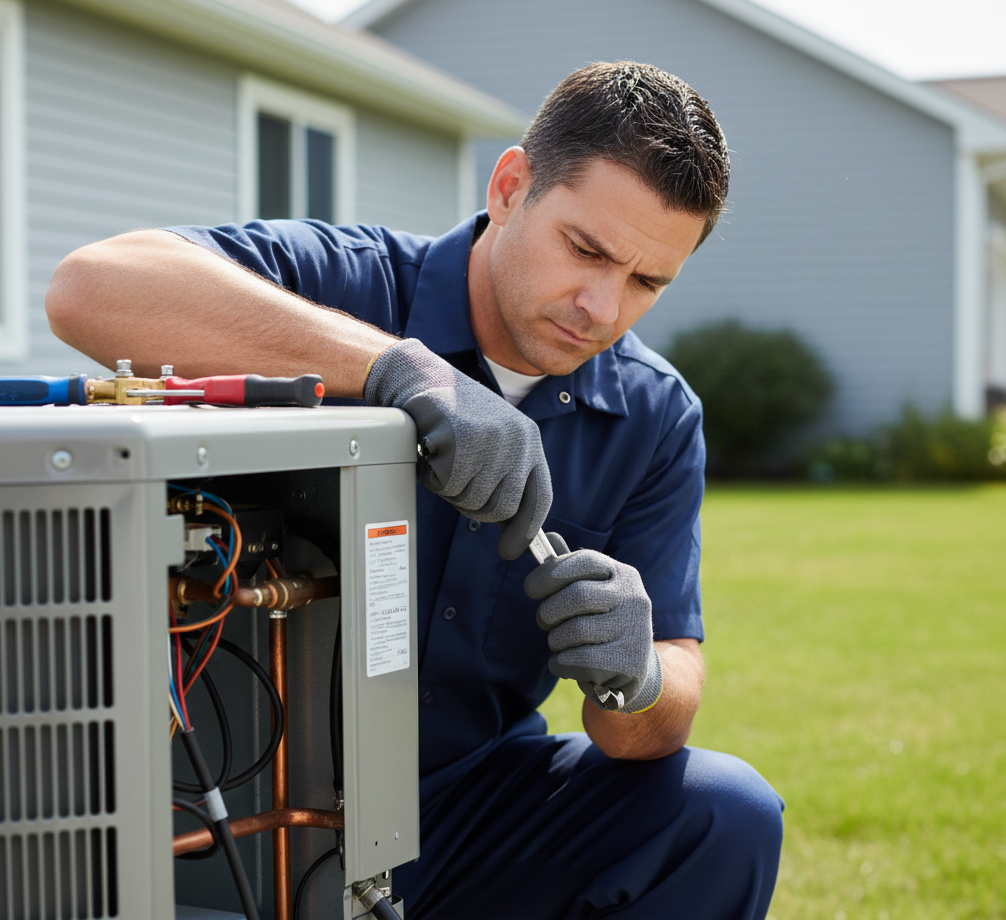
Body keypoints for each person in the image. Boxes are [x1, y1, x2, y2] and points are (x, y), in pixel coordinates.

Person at [47, 62, 784, 919]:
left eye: (647, 283)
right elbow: (89, 286)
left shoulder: (655, 417)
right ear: (511, 187)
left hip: (472, 810)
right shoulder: (338, 286)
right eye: (586, 250)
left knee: (724, 814)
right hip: (235, 805)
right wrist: (394, 368)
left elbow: (665, 698)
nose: (602, 306)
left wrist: (639, 678)